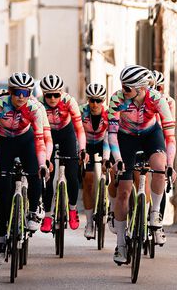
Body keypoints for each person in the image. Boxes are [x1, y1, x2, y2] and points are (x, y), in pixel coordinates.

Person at [107, 65, 175, 265]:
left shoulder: (157, 99)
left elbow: (170, 136)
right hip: (125, 137)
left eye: (127, 88)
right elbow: (112, 134)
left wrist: (170, 163)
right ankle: (120, 245)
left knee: (159, 166)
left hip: (150, 135)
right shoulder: (117, 99)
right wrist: (118, 160)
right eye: (122, 86)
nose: (123, 90)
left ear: (141, 88)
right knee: (124, 192)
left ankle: (155, 214)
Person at [0, 72, 52, 252]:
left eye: (25, 93)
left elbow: (40, 139)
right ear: (10, 92)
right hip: (4, 143)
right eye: (18, 92)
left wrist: (43, 163)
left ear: (30, 94)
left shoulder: (34, 108)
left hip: (26, 141)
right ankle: (2, 236)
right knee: (2, 191)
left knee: (35, 173)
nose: (21, 97)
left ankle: (34, 211)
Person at [37, 74, 86, 234]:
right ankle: (48, 216)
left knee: (72, 175)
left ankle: (72, 209)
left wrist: (82, 150)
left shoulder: (69, 101)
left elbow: (79, 129)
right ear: (43, 94)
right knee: (46, 176)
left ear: (61, 93)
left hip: (66, 133)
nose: (52, 98)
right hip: (47, 133)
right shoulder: (38, 103)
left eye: (56, 95)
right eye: (48, 95)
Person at [80, 82, 110, 239]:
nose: (95, 104)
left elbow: (109, 138)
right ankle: (90, 222)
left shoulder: (109, 115)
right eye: (92, 100)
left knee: (114, 171)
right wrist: (81, 152)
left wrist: (106, 159)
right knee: (89, 180)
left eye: (98, 100)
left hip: (103, 144)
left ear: (103, 101)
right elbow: (77, 134)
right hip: (87, 145)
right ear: (88, 100)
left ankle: (111, 209)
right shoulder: (81, 112)